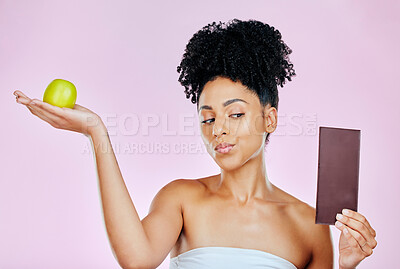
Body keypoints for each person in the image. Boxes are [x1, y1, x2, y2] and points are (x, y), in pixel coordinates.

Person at [13, 18, 377, 269]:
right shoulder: (181, 199)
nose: (218, 129)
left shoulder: (308, 225)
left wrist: (345, 267)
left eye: (234, 114)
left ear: (270, 119)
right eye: (207, 118)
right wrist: (96, 132)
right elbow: (136, 259)